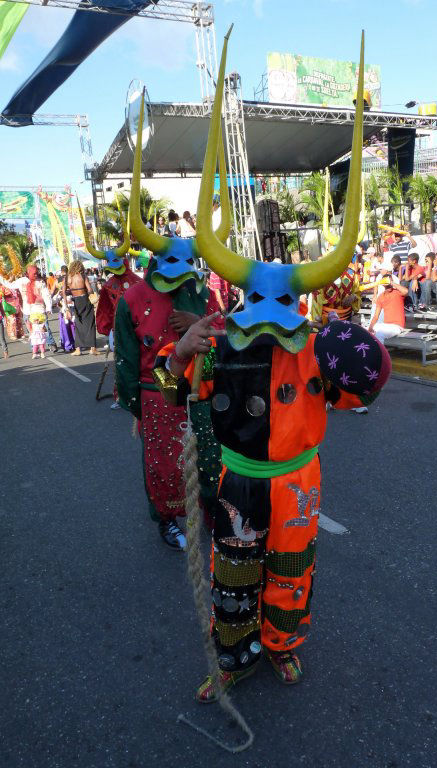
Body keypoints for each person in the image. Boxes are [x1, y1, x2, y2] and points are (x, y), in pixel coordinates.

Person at [152, 41, 391, 701]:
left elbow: (361, 386)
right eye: (256, 302)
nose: (268, 317)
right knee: (234, 573)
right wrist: (183, 349)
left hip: (298, 481)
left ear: (299, 301)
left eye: (280, 303)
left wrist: (361, 354)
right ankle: (233, 656)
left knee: (291, 571)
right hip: (238, 481)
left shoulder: (316, 344)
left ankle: (283, 644)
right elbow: (176, 387)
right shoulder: (221, 336)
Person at [114, 95, 227, 551]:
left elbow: (225, 338)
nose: (182, 282)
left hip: (202, 388)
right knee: (162, 463)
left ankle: (211, 512)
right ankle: (165, 518)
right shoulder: (133, 298)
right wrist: (136, 408)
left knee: (209, 458)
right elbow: (125, 356)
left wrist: (200, 320)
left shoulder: (208, 293)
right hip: (158, 389)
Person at [77, 206, 141, 407]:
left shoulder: (138, 281)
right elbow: (104, 308)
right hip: (119, 330)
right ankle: (120, 396)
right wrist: (108, 330)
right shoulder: (108, 285)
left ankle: (142, 396)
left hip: (139, 328)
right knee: (121, 363)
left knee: (140, 362)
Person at [63, 260, 99, 356]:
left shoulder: (68, 277)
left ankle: (78, 349)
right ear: (80, 267)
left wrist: (66, 308)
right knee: (90, 323)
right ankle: (93, 348)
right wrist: (93, 297)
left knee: (78, 325)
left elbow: (63, 292)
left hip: (75, 301)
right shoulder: (83, 276)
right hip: (85, 300)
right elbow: (90, 290)